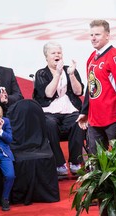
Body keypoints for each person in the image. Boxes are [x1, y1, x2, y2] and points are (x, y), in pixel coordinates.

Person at [77, 19, 116, 154]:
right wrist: (84, 112)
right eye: (91, 35)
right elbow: (91, 86)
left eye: (97, 34)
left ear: (107, 35)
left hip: (113, 118)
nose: (93, 38)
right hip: (94, 119)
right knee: (96, 161)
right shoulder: (92, 57)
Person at [33, 41, 85, 176]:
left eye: (59, 52)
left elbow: (79, 92)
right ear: (46, 57)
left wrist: (72, 75)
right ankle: (59, 163)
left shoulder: (70, 70)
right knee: (49, 124)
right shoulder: (41, 73)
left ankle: (75, 162)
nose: (57, 55)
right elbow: (48, 93)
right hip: (49, 112)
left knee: (78, 121)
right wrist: (57, 74)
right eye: (53, 53)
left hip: (69, 110)